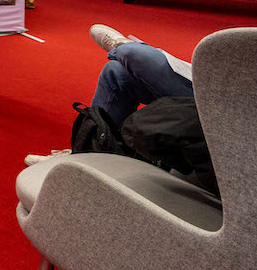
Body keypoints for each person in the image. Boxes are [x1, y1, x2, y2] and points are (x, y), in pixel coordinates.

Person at [25, 24, 193, 165]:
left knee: (133, 55)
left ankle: (123, 47)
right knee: (116, 72)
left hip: (207, 107)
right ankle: (86, 152)